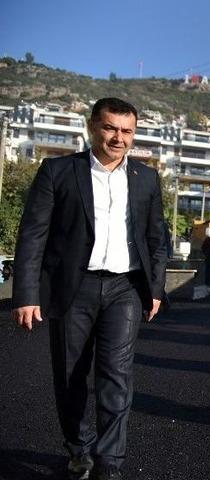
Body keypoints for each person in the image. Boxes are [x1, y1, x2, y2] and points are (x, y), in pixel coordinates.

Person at [10, 98, 168, 480]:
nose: (118, 138)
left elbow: (156, 237)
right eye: (110, 128)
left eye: (127, 131)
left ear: (134, 134)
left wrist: (157, 287)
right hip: (73, 288)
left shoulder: (145, 178)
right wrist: (27, 295)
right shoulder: (58, 171)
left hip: (125, 288)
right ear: (92, 126)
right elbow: (33, 236)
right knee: (70, 375)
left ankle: (109, 462)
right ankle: (79, 450)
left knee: (116, 374)